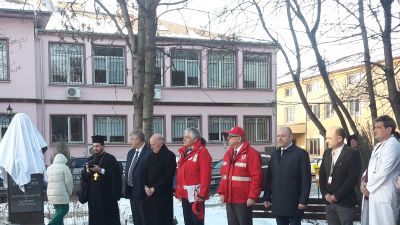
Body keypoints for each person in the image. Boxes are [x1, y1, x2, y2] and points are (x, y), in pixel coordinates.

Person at [263, 127, 311, 225]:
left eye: (283, 136)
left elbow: (306, 179)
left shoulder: (301, 154)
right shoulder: (275, 155)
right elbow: (269, 178)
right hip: (278, 203)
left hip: (294, 203)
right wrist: (267, 197)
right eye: (278, 136)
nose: (280, 138)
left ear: (291, 137)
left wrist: (303, 200)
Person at [218, 126, 263, 225]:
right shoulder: (228, 153)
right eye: (227, 136)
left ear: (239, 138)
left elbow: (257, 177)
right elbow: (224, 175)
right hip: (229, 198)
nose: (227, 138)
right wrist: (222, 192)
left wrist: (252, 196)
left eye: (230, 136)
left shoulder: (252, 154)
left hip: (243, 200)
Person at [360, 115, 400, 225]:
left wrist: (368, 187)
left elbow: (384, 171)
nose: (374, 130)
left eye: (378, 127)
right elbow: (370, 168)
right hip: (373, 193)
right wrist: (363, 182)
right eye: (374, 127)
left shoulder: (393, 145)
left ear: (388, 129)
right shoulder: (378, 146)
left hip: (384, 195)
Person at [319, 127, 361, 225]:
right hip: (329, 201)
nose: (326, 141)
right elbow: (322, 174)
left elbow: (352, 179)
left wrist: (337, 196)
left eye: (329, 138)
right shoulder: (327, 152)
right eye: (326, 138)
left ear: (339, 138)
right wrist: (325, 193)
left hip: (344, 202)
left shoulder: (351, 153)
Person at [80, 135, 122, 225]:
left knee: (108, 219)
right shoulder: (90, 159)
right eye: (94, 146)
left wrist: (100, 170)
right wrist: (87, 170)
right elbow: (84, 176)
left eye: (97, 146)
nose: (95, 148)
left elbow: (116, 175)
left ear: (102, 146)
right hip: (93, 197)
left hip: (107, 196)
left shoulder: (111, 159)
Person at [175, 128, 212, 225]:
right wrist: (179, 192)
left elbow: (206, 175)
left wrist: (202, 194)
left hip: (196, 195)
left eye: (187, 137)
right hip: (185, 195)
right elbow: (180, 175)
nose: (184, 139)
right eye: (184, 137)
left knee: (197, 221)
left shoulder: (202, 152)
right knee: (188, 221)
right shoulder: (184, 152)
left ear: (195, 139)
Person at [142, 133, 176, 225]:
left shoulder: (170, 156)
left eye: (154, 144)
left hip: (163, 195)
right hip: (150, 194)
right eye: (151, 144)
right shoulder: (150, 156)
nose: (152, 147)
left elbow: (168, 175)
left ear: (161, 143)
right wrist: (145, 186)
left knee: (162, 219)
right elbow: (145, 172)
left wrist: (155, 188)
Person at [125, 130, 151, 225]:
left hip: (143, 192)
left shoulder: (149, 152)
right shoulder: (131, 153)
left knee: (145, 218)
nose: (130, 141)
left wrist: (147, 186)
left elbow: (150, 173)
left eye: (132, 139)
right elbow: (129, 170)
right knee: (136, 218)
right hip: (132, 190)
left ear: (139, 140)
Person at [46, 153, 73, 225]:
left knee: (58, 211)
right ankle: (51, 224)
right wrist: (69, 192)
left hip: (51, 194)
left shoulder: (49, 168)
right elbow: (69, 182)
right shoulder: (64, 167)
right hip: (61, 193)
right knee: (65, 209)